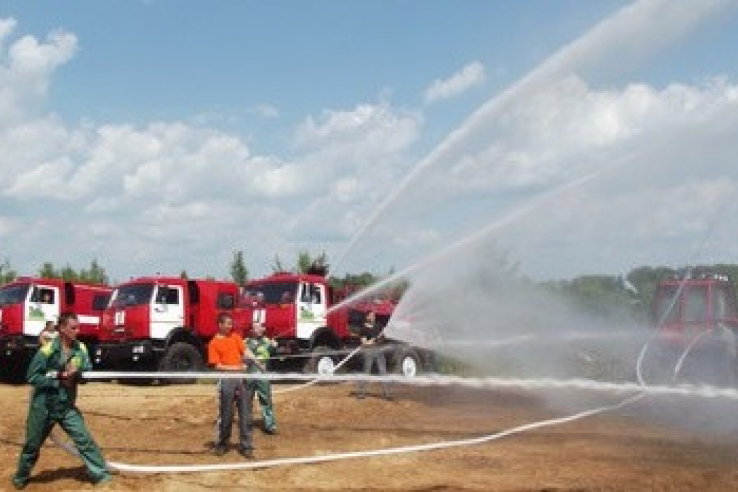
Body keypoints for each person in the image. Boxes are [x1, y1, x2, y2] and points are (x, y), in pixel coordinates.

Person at [12, 312, 111, 490]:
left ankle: (101, 475)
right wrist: (58, 378)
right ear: (62, 329)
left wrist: (77, 374)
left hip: (66, 407)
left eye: (78, 327)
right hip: (43, 407)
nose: (77, 331)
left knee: (84, 439)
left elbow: (87, 371)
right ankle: (20, 478)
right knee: (32, 446)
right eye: (73, 328)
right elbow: (32, 376)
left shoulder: (80, 348)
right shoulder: (47, 350)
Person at [207, 313, 259, 458]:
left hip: (242, 380)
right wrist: (237, 368)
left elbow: (246, 351)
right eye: (228, 323)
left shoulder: (235, 337)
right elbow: (217, 366)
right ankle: (223, 443)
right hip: (227, 380)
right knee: (227, 414)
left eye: (231, 323)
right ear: (220, 325)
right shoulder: (213, 343)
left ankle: (246, 445)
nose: (231, 326)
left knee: (246, 413)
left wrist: (257, 362)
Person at [246, 321, 278, 435]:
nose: (260, 329)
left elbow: (276, 355)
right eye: (257, 327)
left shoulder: (267, 341)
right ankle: (246, 424)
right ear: (252, 330)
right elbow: (242, 356)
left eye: (261, 327)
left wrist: (274, 347)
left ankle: (270, 425)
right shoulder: (245, 342)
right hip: (248, 374)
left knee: (266, 400)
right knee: (246, 400)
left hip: (262, 375)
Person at [356, 311, 392, 400]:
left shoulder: (378, 326)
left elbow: (383, 335)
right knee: (366, 371)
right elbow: (363, 343)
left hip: (379, 351)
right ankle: (362, 393)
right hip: (369, 352)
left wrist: (382, 334)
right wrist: (370, 341)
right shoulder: (364, 328)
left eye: (374, 316)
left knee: (383, 371)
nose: (373, 317)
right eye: (371, 316)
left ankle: (387, 394)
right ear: (367, 317)